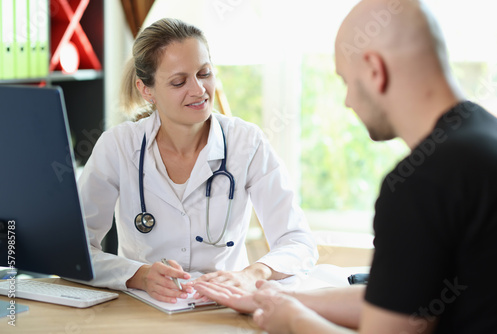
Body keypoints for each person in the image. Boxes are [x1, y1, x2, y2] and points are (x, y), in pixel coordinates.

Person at [194, 0, 497, 333]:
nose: (348, 100)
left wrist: (294, 320)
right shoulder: (485, 139)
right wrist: (279, 297)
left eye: (346, 81)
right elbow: (399, 301)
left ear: (374, 70)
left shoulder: (422, 184)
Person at [77, 18, 318, 303]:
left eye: (204, 73)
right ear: (146, 90)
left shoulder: (247, 143)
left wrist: (252, 274)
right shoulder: (118, 146)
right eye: (179, 81)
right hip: (142, 310)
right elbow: (74, 251)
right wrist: (137, 275)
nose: (199, 90)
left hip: (224, 308)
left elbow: (298, 242)